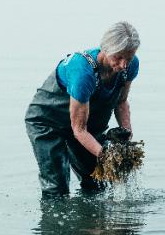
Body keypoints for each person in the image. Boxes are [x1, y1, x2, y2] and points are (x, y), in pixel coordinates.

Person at [25, 21, 140, 197]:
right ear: (106, 49)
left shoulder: (130, 67)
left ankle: (93, 224)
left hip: (87, 125)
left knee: (97, 182)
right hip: (48, 122)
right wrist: (106, 155)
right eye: (118, 57)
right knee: (57, 188)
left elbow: (121, 102)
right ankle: (55, 222)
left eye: (129, 58)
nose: (124, 64)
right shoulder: (83, 71)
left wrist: (126, 135)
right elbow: (78, 130)